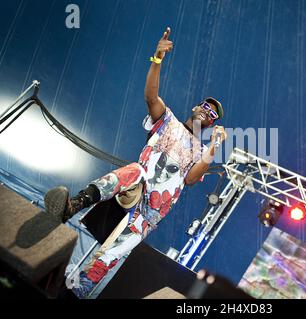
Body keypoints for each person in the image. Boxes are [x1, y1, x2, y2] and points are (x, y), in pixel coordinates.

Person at [44, 26, 227, 298]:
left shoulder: (202, 150)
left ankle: (72, 295)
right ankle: (74, 205)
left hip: (152, 211)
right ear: (195, 107)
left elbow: (189, 179)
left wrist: (214, 147)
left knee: (110, 255)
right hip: (136, 184)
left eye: (213, 114)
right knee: (133, 171)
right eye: (205, 106)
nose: (207, 111)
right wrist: (157, 59)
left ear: (212, 123)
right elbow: (151, 97)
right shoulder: (169, 121)